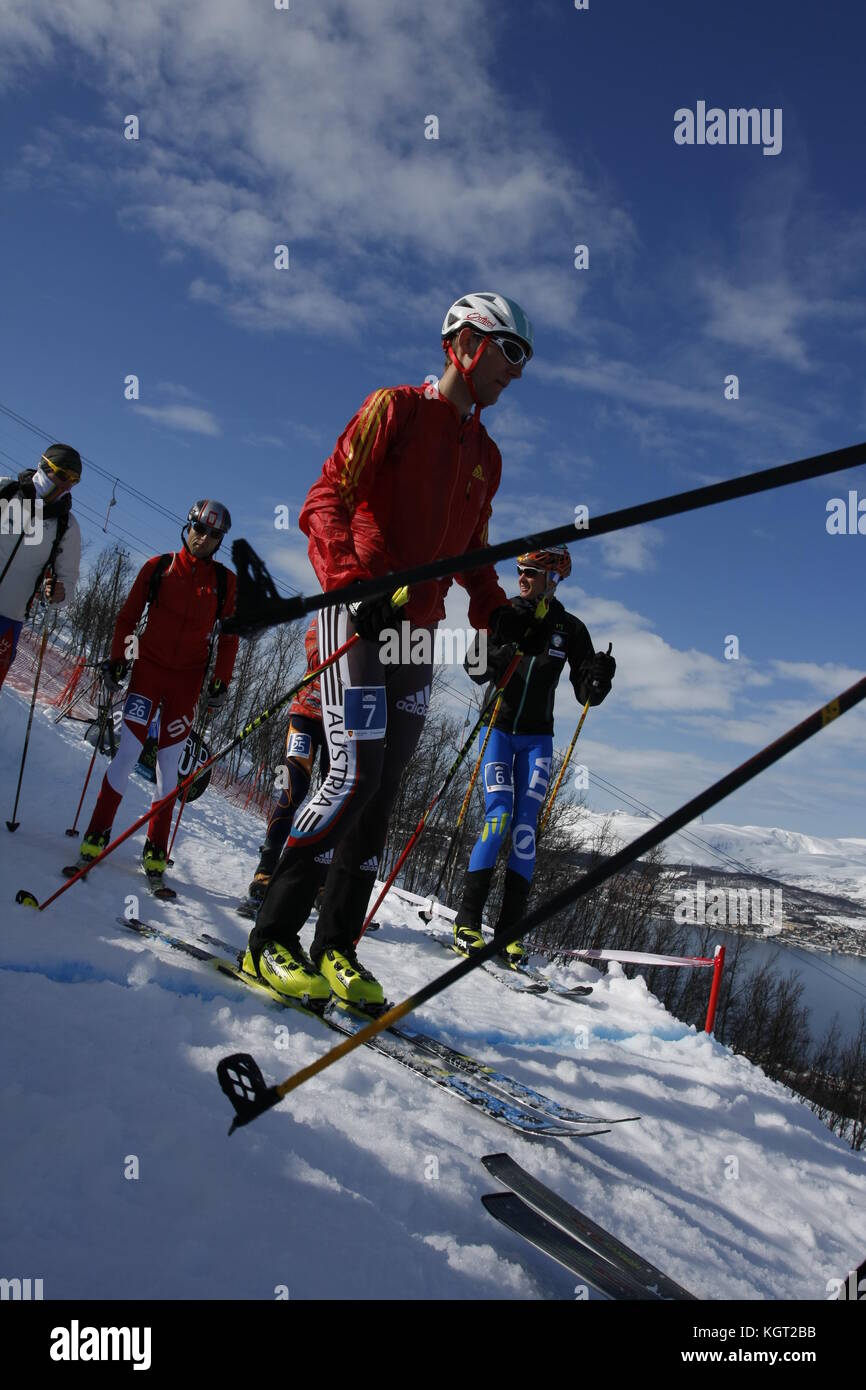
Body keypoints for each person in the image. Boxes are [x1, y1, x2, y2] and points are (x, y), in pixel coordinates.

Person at [246, 291, 549, 1007]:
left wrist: (500, 616)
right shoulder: (395, 409)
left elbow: (475, 554)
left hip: (420, 632)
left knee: (382, 795)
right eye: (510, 352)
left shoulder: (486, 455)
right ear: (466, 345)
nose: (518, 372)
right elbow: (324, 499)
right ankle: (273, 938)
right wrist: (354, 585)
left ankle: (338, 947)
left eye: (525, 359)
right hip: (359, 614)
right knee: (352, 772)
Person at [453, 546, 615, 966]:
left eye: (531, 572)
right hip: (499, 730)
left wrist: (599, 680)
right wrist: (500, 653)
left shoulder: (571, 628)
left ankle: (509, 933)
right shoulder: (504, 611)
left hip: (539, 738)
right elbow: (471, 666)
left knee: (525, 830)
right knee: (498, 817)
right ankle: (466, 923)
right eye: (520, 570)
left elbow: (585, 692)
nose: (521, 577)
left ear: (553, 579)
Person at [76, 500, 238, 885]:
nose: (204, 538)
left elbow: (229, 637)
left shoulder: (224, 582)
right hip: (148, 671)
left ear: (220, 541)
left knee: (170, 764)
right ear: (188, 526)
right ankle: (97, 831)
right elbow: (127, 617)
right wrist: (119, 659)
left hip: (186, 682)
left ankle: (155, 847)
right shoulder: (158, 567)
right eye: (199, 528)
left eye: (214, 534)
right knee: (128, 751)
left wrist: (221, 682)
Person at [244, 615, 330, 908]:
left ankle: (321, 881)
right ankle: (266, 868)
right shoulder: (329, 611)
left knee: (334, 801)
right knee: (294, 789)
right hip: (305, 713)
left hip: (341, 725)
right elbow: (315, 652)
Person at [0, 445, 82, 692]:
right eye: (62, 475)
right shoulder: (5, 490)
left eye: (74, 480)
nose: (67, 485)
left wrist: (59, 593)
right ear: (44, 466)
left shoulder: (66, 525)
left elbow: (67, 583)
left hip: (8, 619)